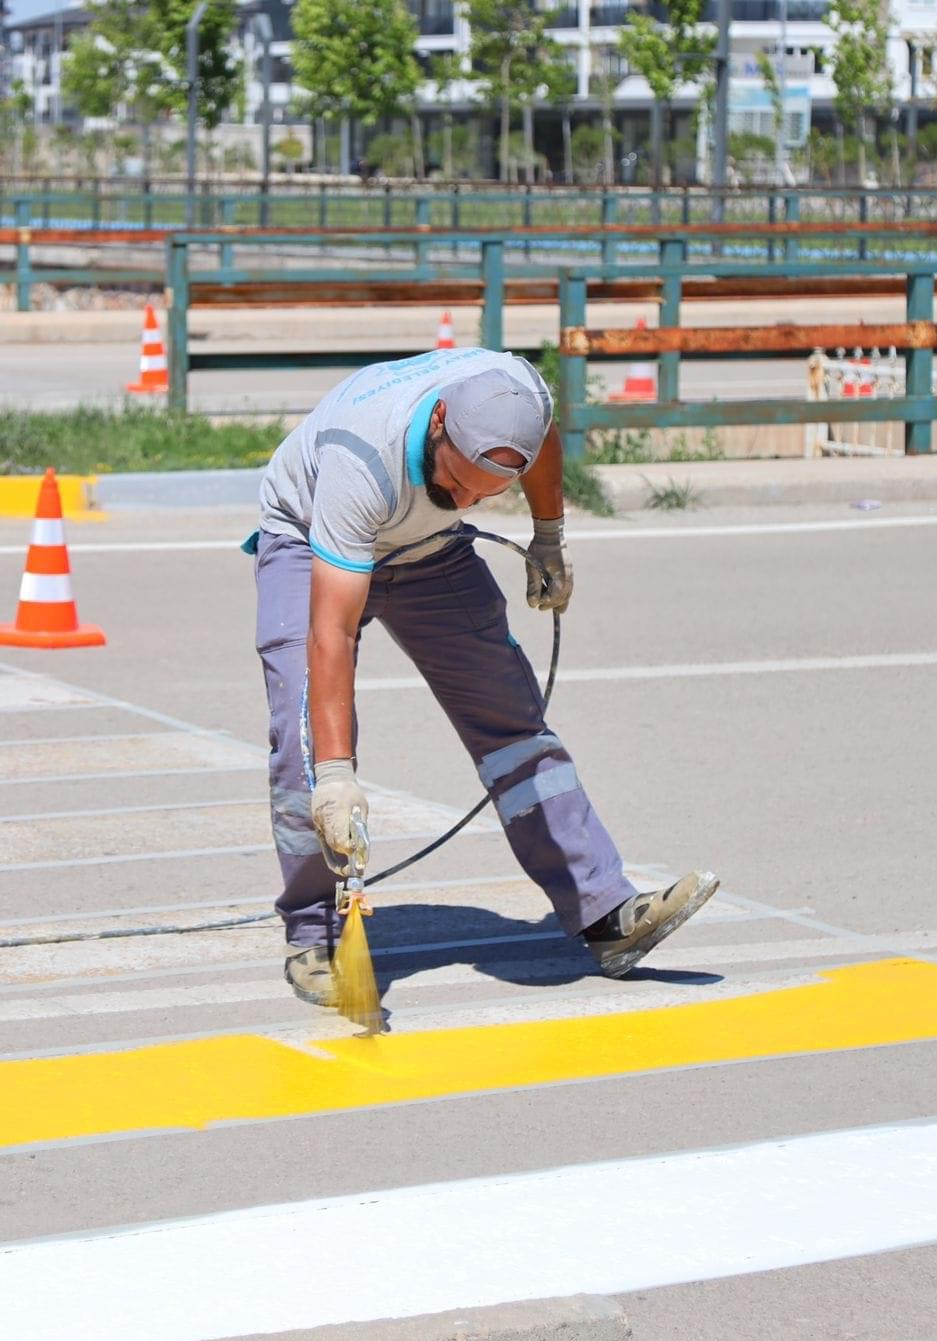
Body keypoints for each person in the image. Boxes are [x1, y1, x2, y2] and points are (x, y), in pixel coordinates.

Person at [248, 347, 719, 1007]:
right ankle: (315, 933)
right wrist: (337, 776)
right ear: (439, 422)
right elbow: (333, 631)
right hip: (311, 542)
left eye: (484, 494)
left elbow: (543, 440)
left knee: (512, 722)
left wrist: (549, 537)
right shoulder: (361, 458)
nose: (468, 499)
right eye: (458, 482)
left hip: (430, 550)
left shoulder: (519, 396)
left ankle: (603, 913)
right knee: (304, 746)